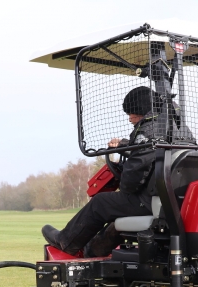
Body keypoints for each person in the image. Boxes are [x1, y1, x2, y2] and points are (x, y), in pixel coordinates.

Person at [41, 86, 159, 257]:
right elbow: (152, 154)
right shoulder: (174, 127)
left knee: (101, 202)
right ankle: (93, 250)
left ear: (141, 111)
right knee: (115, 210)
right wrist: (125, 145)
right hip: (171, 201)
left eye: (131, 114)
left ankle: (66, 241)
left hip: (148, 202)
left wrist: (123, 174)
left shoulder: (147, 132)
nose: (130, 119)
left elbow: (131, 182)